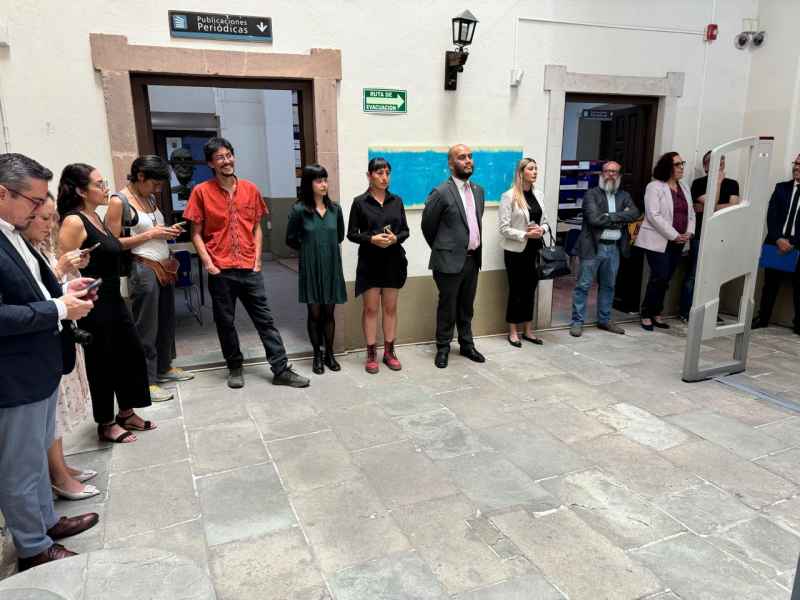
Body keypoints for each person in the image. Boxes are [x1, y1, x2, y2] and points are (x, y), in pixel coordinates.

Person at [0, 153, 99, 571]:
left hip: (37, 368)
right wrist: (58, 308)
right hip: (13, 376)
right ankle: (33, 548)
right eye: (35, 200)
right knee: (19, 468)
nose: (41, 209)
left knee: (37, 456)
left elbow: (32, 290)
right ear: (2, 194)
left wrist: (64, 291)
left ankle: (46, 522)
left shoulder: (13, 234)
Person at [184, 137, 309, 389]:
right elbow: (195, 233)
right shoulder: (201, 192)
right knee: (225, 323)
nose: (226, 161)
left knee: (265, 321)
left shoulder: (251, 189)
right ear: (211, 163)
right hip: (220, 269)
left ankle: (281, 369)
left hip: (249, 268)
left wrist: (257, 259)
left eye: (229, 155)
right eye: (220, 157)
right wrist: (208, 263)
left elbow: (256, 227)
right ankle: (234, 367)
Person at [58, 163, 156, 443]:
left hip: (113, 298)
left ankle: (126, 412)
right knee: (102, 362)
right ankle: (106, 422)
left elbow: (113, 248)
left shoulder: (96, 217)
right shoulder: (74, 221)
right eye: (99, 184)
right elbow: (62, 266)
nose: (106, 188)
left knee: (129, 354)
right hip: (93, 303)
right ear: (81, 191)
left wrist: (149, 235)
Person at [23, 194, 99, 501]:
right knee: (50, 416)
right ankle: (58, 476)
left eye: (53, 216)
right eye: (44, 218)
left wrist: (71, 281)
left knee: (57, 412)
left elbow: (49, 290)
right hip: (39, 342)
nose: (51, 224)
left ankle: (61, 468)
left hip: (58, 333)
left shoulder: (37, 247)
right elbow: (33, 297)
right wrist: (60, 271)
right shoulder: (17, 247)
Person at [106, 155, 192, 402]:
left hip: (163, 266)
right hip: (143, 268)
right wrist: (151, 234)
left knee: (166, 321)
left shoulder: (150, 198)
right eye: (155, 183)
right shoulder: (119, 201)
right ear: (140, 176)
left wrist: (166, 232)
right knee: (146, 327)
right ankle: (147, 380)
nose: (158, 189)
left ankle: (164, 367)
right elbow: (112, 243)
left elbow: (153, 230)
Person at [421, 144, 486, 368]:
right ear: (451, 164)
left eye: (470, 156)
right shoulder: (441, 192)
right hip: (448, 260)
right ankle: (443, 348)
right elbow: (428, 226)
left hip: (473, 259)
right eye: (462, 157)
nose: (468, 161)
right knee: (447, 307)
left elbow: (474, 223)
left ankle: (467, 345)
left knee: (467, 306)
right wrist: (444, 249)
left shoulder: (478, 191)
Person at [347, 157, 409, 373]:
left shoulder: (397, 201)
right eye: (379, 173)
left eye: (387, 173)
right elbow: (351, 234)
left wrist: (395, 238)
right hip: (370, 262)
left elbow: (405, 231)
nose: (384, 178)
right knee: (371, 309)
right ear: (369, 176)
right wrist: (371, 239)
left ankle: (389, 352)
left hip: (393, 261)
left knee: (390, 308)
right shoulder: (359, 202)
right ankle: (371, 353)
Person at [286, 164, 348, 375]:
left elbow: (339, 235)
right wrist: (309, 250)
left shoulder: (335, 209)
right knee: (314, 314)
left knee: (329, 313)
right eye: (318, 180)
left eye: (325, 180)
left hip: (331, 266)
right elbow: (290, 239)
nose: (324, 184)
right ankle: (317, 355)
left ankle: (329, 354)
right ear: (308, 184)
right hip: (311, 268)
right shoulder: (299, 210)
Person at [569, 161, 640, 337]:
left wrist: (609, 216)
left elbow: (634, 213)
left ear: (619, 175)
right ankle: (577, 322)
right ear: (601, 174)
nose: (610, 174)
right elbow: (594, 219)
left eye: (614, 172)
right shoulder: (591, 194)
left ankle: (604, 320)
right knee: (583, 285)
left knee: (609, 286)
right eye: (607, 171)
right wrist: (620, 218)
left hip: (614, 248)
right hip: (593, 247)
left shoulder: (624, 195)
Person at [635, 152, 696, 331]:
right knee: (659, 276)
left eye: (682, 163)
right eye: (677, 164)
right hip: (658, 240)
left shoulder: (684, 187)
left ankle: (656, 312)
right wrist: (674, 234)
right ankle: (646, 313)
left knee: (666, 279)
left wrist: (689, 232)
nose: (681, 167)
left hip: (679, 241)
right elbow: (653, 215)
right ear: (667, 167)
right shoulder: (654, 187)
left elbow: (691, 212)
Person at [680, 151, 740, 321]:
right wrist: (717, 184)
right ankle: (686, 311)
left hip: (721, 236)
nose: (720, 167)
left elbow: (733, 207)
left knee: (714, 276)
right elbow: (711, 203)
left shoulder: (733, 184)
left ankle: (710, 313)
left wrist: (709, 208)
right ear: (706, 166)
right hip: (701, 235)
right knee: (694, 274)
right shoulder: (698, 183)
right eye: (717, 163)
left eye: (722, 163)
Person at [498, 157, 547, 346]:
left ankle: (528, 330)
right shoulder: (509, 196)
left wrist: (541, 230)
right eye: (531, 169)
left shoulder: (539, 194)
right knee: (516, 290)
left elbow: (546, 222)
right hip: (516, 251)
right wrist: (525, 234)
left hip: (535, 249)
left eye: (536, 169)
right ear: (521, 172)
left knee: (530, 290)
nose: (535, 172)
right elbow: (503, 229)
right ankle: (512, 331)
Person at [753, 154, 800, 332]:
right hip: (775, 243)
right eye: (795, 163)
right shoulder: (781, 188)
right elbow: (771, 215)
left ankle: (798, 324)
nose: (796, 167)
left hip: (797, 246)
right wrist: (779, 239)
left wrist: (793, 242)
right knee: (770, 285)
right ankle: (763, 318)